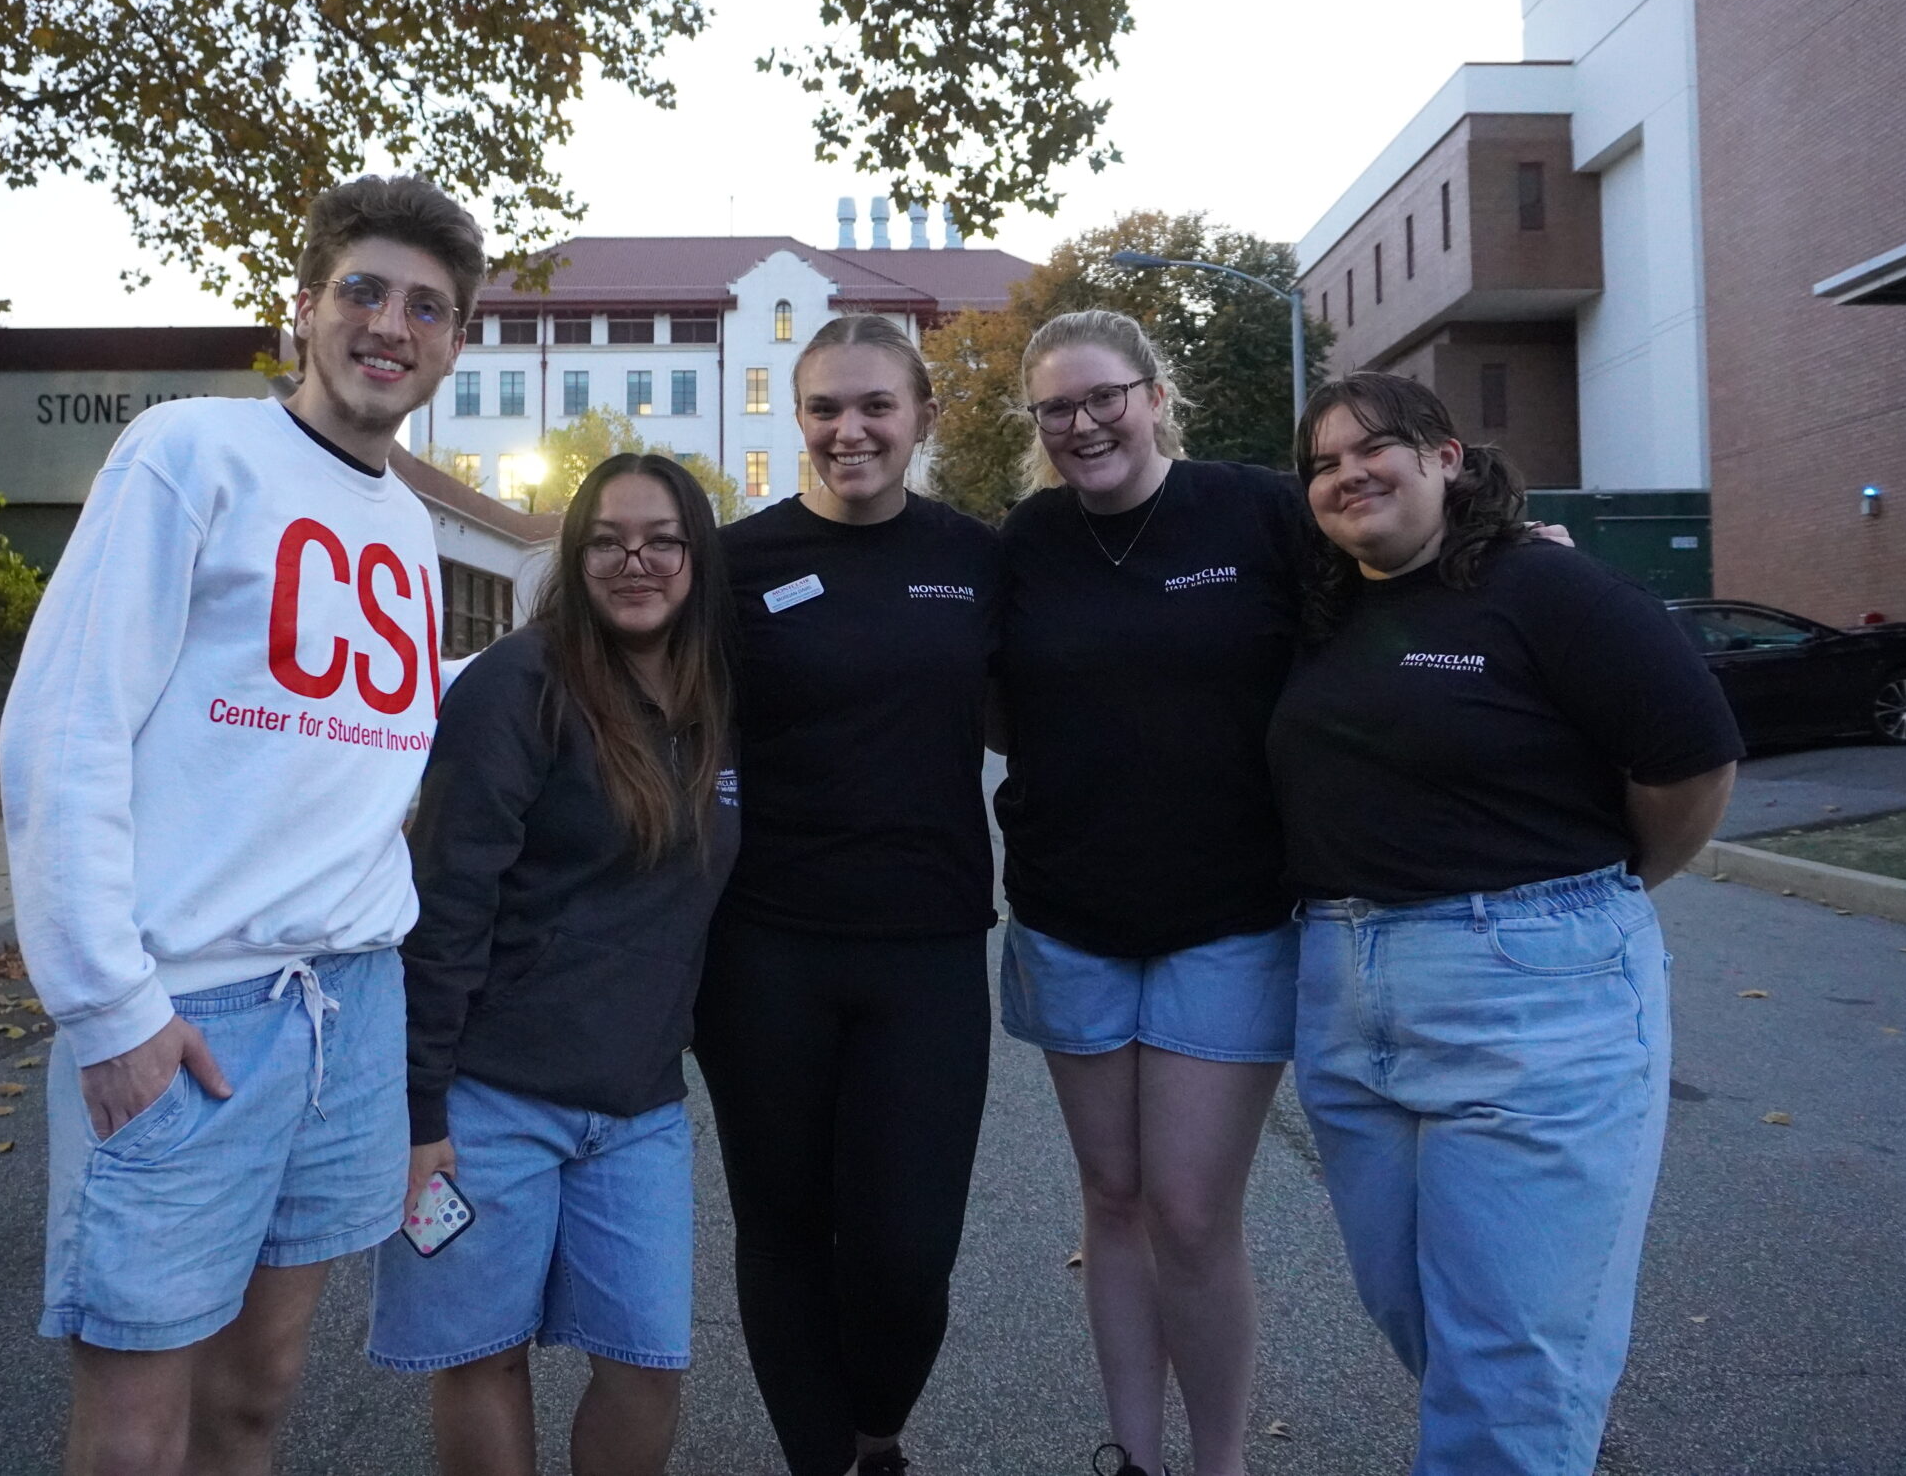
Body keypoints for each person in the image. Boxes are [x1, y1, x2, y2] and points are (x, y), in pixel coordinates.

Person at [1, 174, 480, 1476]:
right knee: (139, 1417)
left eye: (427, 307)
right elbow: (65, 730)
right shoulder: (187, 451)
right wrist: (111, 1009)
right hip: (194, 1009)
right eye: (364, 290)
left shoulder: (411, 527)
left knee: (261, 1393)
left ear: (450, 343)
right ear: (305, 310)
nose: (392, 323)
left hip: (353, 1008)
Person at [1268, 372, 1741, 1476]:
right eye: (1322, 464)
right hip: (1347, 1000)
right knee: (1425, 1323)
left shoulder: (1546, 589)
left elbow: (1692, 763)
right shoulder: (1325, 608)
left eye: (1373, 448)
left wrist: (1591, 895)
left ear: (1446, 457)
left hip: (1536, 990)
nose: (1347, 474)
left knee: (1510, 1370)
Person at [370, 452, 741, 1476]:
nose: (637, 561)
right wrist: (421, 1113)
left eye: (662, 540)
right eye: (608, 540)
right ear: (573, 558)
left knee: (646, 1364)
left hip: (638, 1108)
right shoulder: (514, 687)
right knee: (481, 1360)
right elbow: (445, 906)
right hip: (492, 1102)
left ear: (695, 556)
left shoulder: (714, 697)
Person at [991, 310, 1315, 1476]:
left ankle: (1215, 1461)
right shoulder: (1027, 541)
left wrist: (1508, 555)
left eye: (1102, 397)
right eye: (1056, 409)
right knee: (1113, 1197)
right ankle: (1133, 1454)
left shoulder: (1258, 513)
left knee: (1188, 1209)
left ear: (1154, 393)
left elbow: (1384, 597)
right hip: (1071, 915)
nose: (1083, 425)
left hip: (1228, 914)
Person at [691, 314, 1001, 1476]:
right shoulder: (733, 563)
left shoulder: (978, 559)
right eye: (824, 407)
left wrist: (1489, 552)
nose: (849, 429)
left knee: (905, 1249)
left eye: (875, 405)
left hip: (924, 950)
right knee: (782, 1229)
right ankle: (824, 1462)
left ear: (922, 416)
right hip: (764, 951)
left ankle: (876, 1434)